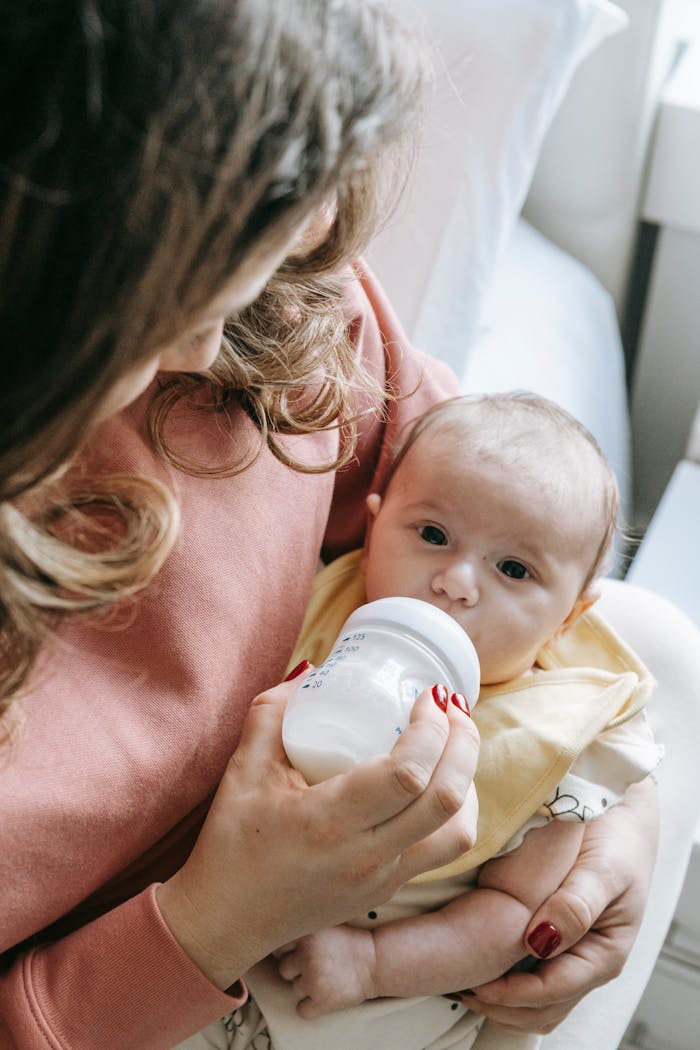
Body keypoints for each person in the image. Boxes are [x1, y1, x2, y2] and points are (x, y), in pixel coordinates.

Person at [0, 3, 662, 1049]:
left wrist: (595, 814)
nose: (291, 272)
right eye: (193, 263)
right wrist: (209, 926)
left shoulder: (283, 305)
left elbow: (506, 526)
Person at [226, 393, 660, 1050]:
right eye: (431, 535)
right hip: (221, 964)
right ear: (372, 532)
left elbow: (514, 914)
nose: (456, 582)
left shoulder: (550, 739)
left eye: (513, 569)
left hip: (377, 1012)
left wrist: (374, 964)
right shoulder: (310, 606)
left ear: (568, 618)